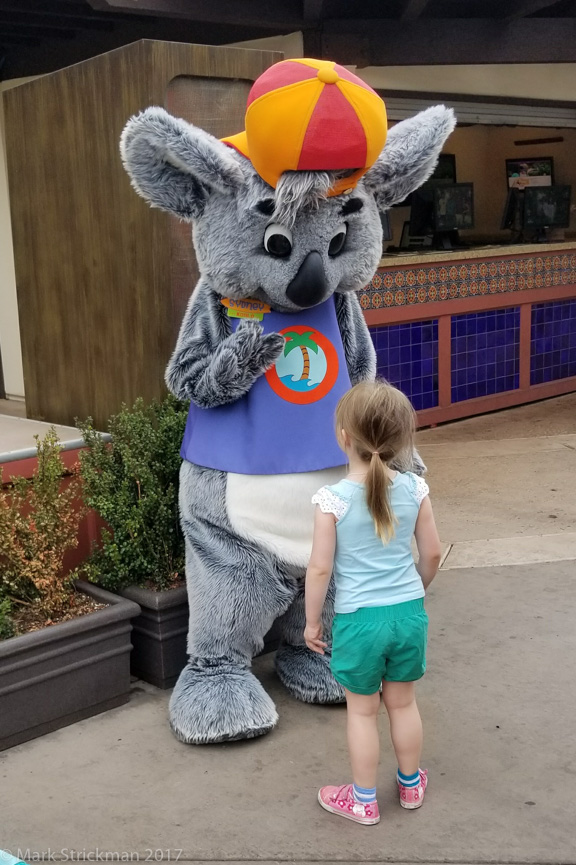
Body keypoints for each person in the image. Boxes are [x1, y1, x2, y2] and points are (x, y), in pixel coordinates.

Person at [304, 380, 442, 826]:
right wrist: (416, 590)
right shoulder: (415, 490)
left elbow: (319, 569)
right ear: (401, 439)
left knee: (362, 712)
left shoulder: (332, 501)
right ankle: (410, 785)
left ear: (344, 437)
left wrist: (312, 623)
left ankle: (363, 801)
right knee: (403, 704)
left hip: (359, 622)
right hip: (408, 615)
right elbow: (432, 554)